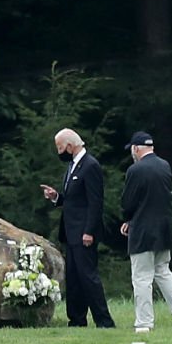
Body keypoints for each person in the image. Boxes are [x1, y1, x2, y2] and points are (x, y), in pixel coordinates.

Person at [119, 131, 172, 331]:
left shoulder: (135, 171)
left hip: (143, 231)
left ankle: (144, 322)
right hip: (163, 228)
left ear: (136, 149)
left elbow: (128, 203)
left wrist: (128, 219)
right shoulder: (164, 166)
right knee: (163, 271)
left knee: (142, 277)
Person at [40, 129, 115, 328]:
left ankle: (104, 321)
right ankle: (76, 319)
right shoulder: (73, 167)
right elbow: (73, 200)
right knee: (74, 278)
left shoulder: (90, 166)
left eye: (60, 148)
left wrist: (89, 231)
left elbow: (95, 202)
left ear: (70, 146)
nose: (59, 152)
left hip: (84, 233)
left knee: (88, 277)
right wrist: (56, 197)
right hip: (71, 232)